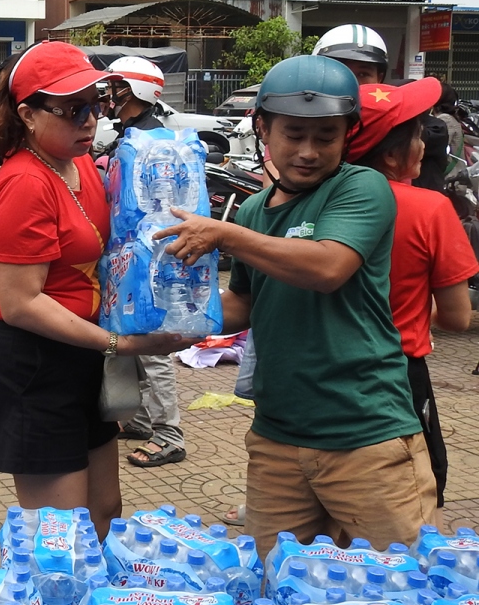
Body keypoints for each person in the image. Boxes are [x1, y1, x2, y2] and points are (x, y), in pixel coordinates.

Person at [156, 54, 436, 558]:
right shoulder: (254, 210)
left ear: (347, 134)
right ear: (263, 128)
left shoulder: (360, 187)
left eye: (325, 136)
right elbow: (242, 301)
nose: (308, 151)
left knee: (402, 589)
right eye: (293, 134)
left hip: (365, 433)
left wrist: (225, 235)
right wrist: (171, 322)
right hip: (277, 438)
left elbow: (327, 268)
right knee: (277, 586)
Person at [0, 41, 189, 536]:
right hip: (35, 362)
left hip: (83, 352)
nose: (89, 120)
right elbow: (22, 302)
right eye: (72, 110)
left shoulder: (82, 167)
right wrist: (120, 343)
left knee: (104, 511)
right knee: (61, 533)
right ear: (27, 114)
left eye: (96, 105)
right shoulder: (26, 182)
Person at [345, 77, 479, 521]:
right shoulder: (430, 208)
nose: (425, 144)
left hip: (323, 373)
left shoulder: (317, 203)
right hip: (397, 375)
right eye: (418, 135)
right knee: (416, 495)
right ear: (390, 153)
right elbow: (459, 318)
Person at [104, 56, 187, 468]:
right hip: (126, 252)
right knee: (127, 339)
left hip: (148, 255)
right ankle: (138, 418)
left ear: (138, 92)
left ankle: (170, 433)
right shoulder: (129, 135)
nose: (110, 95)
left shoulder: (155, 141)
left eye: (118, 87)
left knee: (152, 346)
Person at [314, 25, 450, 193]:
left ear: (379, 78)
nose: (352, 84)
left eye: (363, 74)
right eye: (341, 73)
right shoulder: (298, 122)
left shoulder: (405, 131)